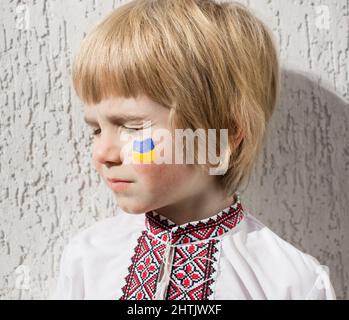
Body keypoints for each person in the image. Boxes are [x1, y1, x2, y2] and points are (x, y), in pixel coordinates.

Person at [50, 0, 336, 300]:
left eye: (133, 127)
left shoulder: (289, 282)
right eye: (96, 129)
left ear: (222, 137)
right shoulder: (88, 259)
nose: (103, 153)